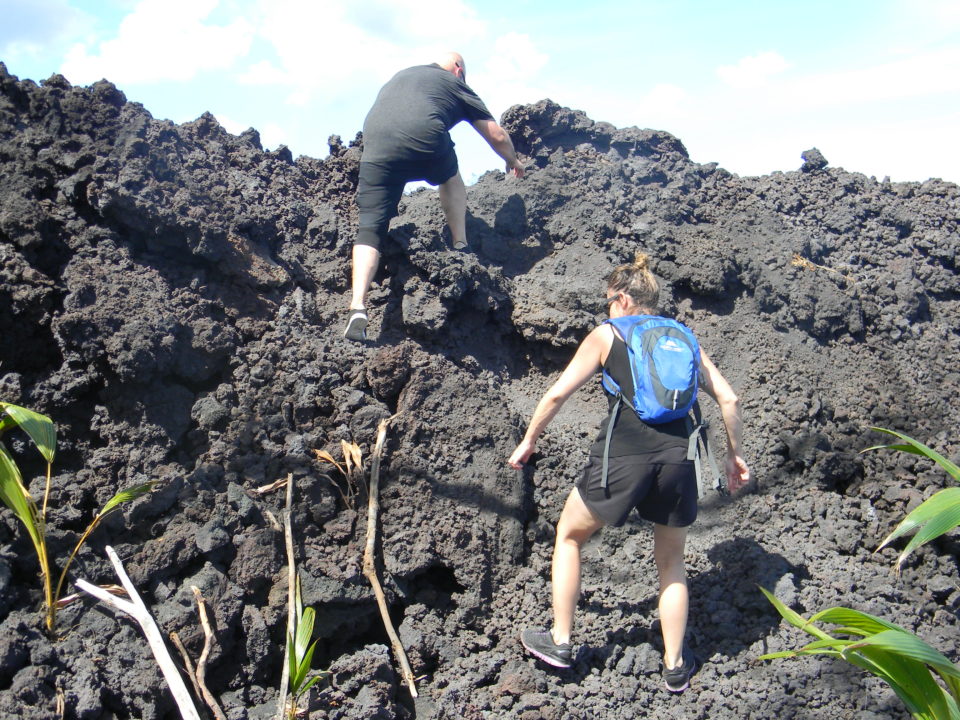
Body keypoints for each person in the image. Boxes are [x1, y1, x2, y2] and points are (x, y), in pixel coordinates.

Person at [507, 252, 750, 693]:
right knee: (672, 562)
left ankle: (561, 641)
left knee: (569, 535)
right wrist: (734, 456)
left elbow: (559, 393)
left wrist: (529, 439)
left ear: (621, 299)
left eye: (607, 301)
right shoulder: (684, 336)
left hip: (623, 458)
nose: (605, 308)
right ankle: (675, 666)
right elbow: (729, 400)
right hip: (680, 461)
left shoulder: (608, 334)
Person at [344, 51, 525, 341]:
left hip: (375, 148)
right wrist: (513, 161)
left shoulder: (402, 75)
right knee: (451, 176)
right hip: (422, 139)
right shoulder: (455, 83)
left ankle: (357, 306)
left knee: (369, 230)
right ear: (458, 70)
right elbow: (497, 136)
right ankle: (461, 244)